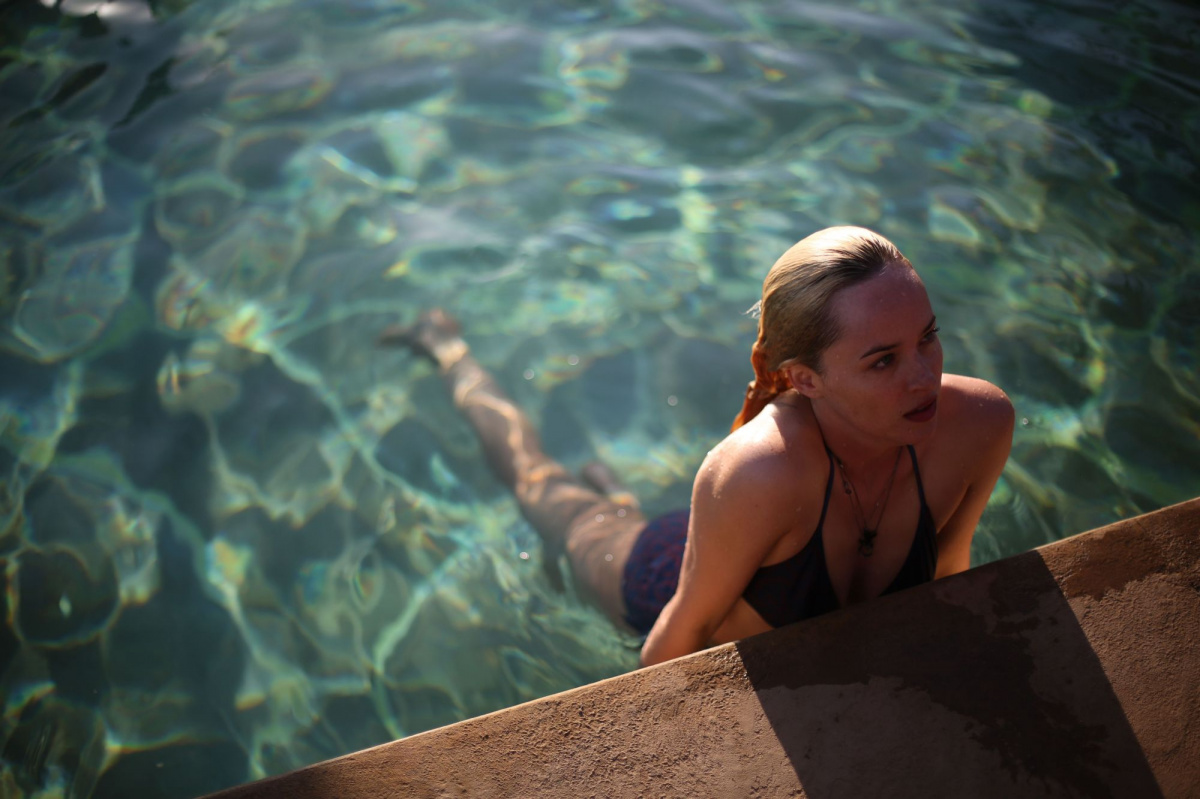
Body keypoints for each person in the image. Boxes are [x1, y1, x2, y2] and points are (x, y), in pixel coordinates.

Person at [379, 226, 1014, 668]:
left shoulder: (979, 422)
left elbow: (947, 574)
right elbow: (672, 646)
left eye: (928, 337)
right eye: (882, 361)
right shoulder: (760, 471)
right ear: (804, 379)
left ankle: (618, 497)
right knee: (536, 484)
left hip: (743, 535)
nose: (924, 376)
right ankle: (445, 346)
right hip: (659, 577)